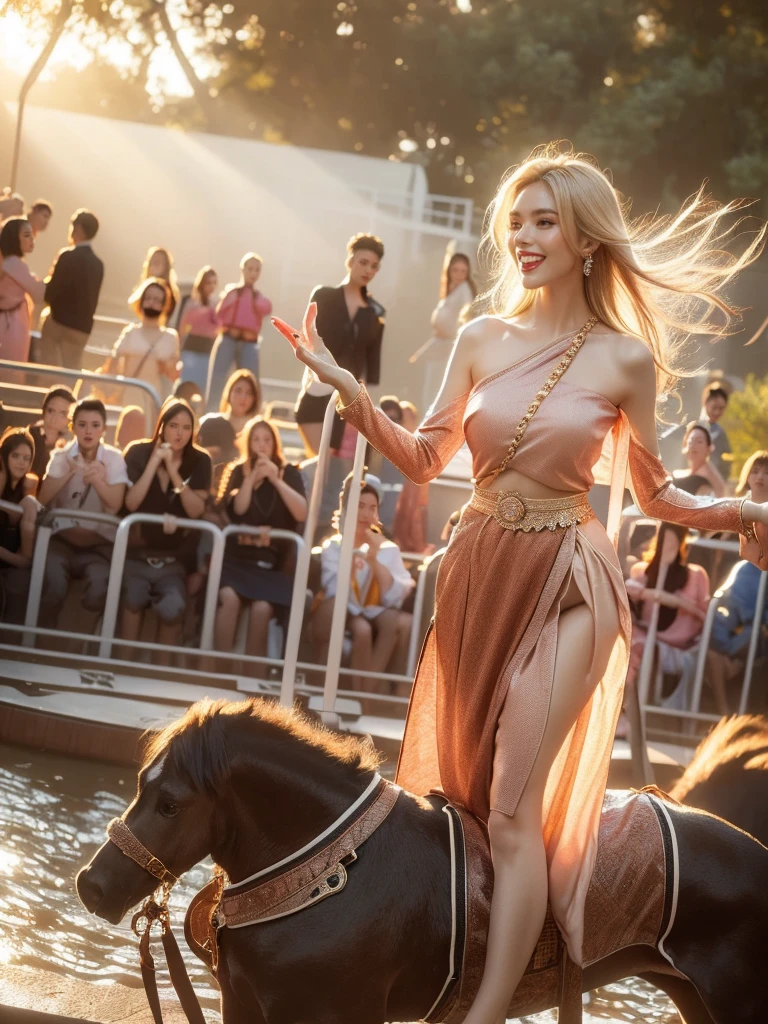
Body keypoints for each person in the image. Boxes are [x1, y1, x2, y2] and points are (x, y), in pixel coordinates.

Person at [272, 143, 768, 1020]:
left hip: (573, 580)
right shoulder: (479, 338)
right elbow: (426, 460)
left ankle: (485, 1012)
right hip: (477, 573)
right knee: (463, 803)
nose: (526, 236)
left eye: (546, 221)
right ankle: (474, 967)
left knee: (510, 807)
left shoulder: (623, 358)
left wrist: (739, 510)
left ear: (585, 240)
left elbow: (655, 494)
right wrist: (348, 387)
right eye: (518, 222)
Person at [214, 416, 307, 674]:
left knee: (262, 608)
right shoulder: (237, 470)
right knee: (229, 599)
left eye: (267, 440)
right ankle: (217, 673)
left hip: (269, 566)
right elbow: (237, 509)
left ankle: (252, 679)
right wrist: (252, 478)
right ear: (248, 443)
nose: (261, 445)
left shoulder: (289, 472)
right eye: (256, 440)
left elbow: (301, 513)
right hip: (237, 561)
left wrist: (275, 480)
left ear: (275, 443)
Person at [121, 399, 211, 663]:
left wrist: (172, 469)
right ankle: (122, 669)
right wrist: (155, 462)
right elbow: (131, 502)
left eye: (186, 427)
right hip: (137, 555)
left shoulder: (200, 460)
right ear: (161, 426)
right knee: (133, 598)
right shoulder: (138, 452)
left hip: (174, 560)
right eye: (173, 426)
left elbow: (196, 511)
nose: (179, 433)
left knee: (173, 609)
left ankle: (158, 675)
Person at [313, 475, 414, 693]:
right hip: (340, 610)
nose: (365, 514)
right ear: (348, 510)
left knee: (397, 622)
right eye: (359, 507)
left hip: (372, 611)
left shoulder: (386, 548)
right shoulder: (333, 546)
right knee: (362, 629)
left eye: (371, 508)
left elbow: (393, 597)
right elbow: (333, 589)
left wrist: (374, 560)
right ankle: (360, 694)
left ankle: (370, 692)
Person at [37, 398, 128, 630]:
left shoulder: (115, 459)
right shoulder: (60, 456)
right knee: (52, 585)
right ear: (73, 427)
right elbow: (42, 499)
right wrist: (69, 470)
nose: (89, 431)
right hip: (62, 542)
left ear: (104, 429)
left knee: (99, 588)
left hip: (97, 548)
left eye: (95, 425)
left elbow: (116, 504)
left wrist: (97, 479)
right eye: (82, 424)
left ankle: (78, 646)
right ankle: (44, 643)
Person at [294, 233, 385, 457]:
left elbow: (373, 367)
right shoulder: (323, 296)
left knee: (336, 474)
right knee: (318, 465)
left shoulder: (375, 312)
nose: (368, 271)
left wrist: (366, 412)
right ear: (350, 261)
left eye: (374, 266)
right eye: (363, 263)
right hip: (318, 389)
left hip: (348, 399)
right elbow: (308, 339)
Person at [622, 522, 710, 720]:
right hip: (645, 636)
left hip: (679, 645)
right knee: (632, 644)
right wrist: (653, 594)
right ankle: (625, 712)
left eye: (674, 542)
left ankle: (639, 715)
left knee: (645, 648)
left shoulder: (696, 575)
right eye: (665, 542)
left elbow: (705, 616)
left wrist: (679, 602)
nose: (669, 547)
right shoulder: (643, 570)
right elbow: (627, 589)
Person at [206, 253, 272, 411]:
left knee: (251, 381)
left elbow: (267, 308)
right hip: (228, 340)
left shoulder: (258, 297)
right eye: (250, 269)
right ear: (243, 270)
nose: (253, 273)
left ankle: (251, 415)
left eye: (257, 270)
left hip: (249, 344)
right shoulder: (233, 292)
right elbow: (219, 313)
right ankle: (211, 413)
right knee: (217, 380)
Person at [38, 209, 103, 368]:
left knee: (48, 369)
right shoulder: (98, 264)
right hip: (82, 329)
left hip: (58, 324)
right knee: (71, 372)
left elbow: (51, 292)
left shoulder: (67, 256)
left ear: (78, 228)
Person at [106, 278, 180, 416]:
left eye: (157, 300)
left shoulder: (170, 337)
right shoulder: (130, 332)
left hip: (155, 400)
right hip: (128, 398)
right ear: (141, 301)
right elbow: (113, 364)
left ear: (164, 305)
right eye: (149, 298)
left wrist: (165, 365)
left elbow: (173, 374)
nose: (152, 303)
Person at [419, 249, 477, 413]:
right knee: (429, 391)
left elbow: (467, 314)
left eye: (463, 271)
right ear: (449, 271)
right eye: (455, 270)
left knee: (435, 393)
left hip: (448, 347)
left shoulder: (464, 289)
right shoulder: (450, 291)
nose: (459, 275)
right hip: (439, 345)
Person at [0, 428, 38, 624]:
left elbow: (26, 559)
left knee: (20, 585)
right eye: (15, 456)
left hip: (12, 565)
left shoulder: (28, 492)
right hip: (8, 561)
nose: (21, 462)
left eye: (26, 458)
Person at [0, 217, 45, 361]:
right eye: (26, 235)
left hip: (10, 321)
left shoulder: (10, 263)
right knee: (12, 366)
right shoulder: (14, 264)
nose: (32, 239)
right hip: (11, 324)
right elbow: (39, 294)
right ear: (14, 239)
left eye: (31, 234)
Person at [198, 369, 261, 472]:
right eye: (238, 390)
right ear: (229, 392)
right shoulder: (212, 423)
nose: (243, 397)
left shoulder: (258, 429)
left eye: (249, 393)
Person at [178, 265, 219, 395]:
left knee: (204, 389)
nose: (211, 286)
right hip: (191, 349)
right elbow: (182, 327)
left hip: (208, 350)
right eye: (208, 283)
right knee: (186, 385)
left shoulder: (217, 303)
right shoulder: (191, 303)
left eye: (214, 283)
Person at [28, 385, 75, 481]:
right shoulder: (29, 436)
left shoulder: (70, 444)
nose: (54, 418)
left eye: (62, 414)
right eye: (51, 411)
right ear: (44, 410)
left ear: (69, 418)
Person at [673, 422, 727, 497]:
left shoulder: (708, 478)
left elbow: (721, 491)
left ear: (708, 448)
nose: (693, 445)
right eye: (690, 441)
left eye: (699, 441)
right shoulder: (677, 473)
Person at [136, 246, 180, 324]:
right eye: (153, 261)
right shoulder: (143, 288)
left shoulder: (170, 293)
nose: (155, 265)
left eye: (159, 262)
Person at [699, 381, 732, 480]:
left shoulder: (721, 434)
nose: (717, 412)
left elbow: (726, 464)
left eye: (721, 408)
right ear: (705, 403)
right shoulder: (694, 428)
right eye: (714, 407)